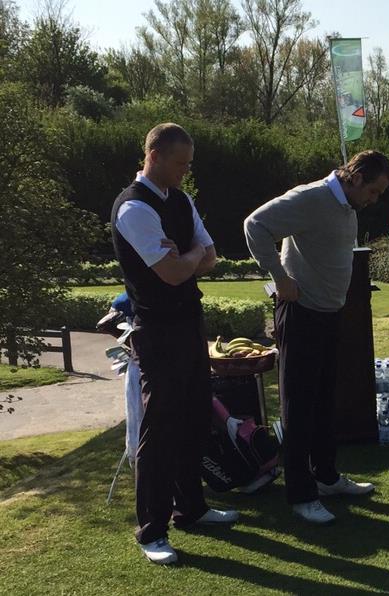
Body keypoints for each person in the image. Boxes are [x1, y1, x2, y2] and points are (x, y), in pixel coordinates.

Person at [111, 123, 237, 565]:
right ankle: (152, 530)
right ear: (155, 156)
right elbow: (173, 273)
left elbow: (211, 256)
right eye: (181, 163)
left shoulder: (180, 200)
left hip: (188, 322)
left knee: (195, 415)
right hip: (157, 329)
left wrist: (186, 256)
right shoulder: (133, 207)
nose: (186, 171)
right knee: (161, 428)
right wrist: (189, 257)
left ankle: (192, 508)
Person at [244, 150, 389, 522]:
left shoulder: (346, 206)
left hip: (328, 315)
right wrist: (280, 277)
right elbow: (255, 225)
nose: (374, 200)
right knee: (299, 405)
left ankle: (325, 477)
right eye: (373, 191)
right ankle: (300, 494)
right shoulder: (311, 197)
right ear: (355, 177)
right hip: (301, 314)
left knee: (325, 400)